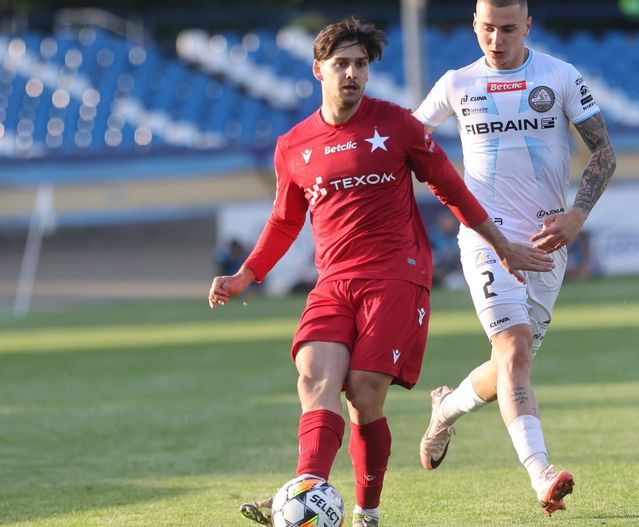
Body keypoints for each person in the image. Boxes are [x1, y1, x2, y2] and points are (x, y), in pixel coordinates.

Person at [207, 18, 553, 527]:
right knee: (314, 377)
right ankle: (309, 495)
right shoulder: (294, 144)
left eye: (361, 64)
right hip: (333, 284)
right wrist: (245, 275)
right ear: (318, 70)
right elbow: (284, 220)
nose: (352, 73)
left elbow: (451, 188)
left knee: (364, 394)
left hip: (396, 276)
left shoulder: (397, 125)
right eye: (341, 64)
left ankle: (366, 513)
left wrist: (501, 246)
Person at [412, 0, 616, 516]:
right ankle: (541, 474)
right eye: (487, 29)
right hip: (486, 240)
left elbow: (604, 154)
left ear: (528, 26)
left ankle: (446, 409)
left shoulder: (560, 76)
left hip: (548, 245)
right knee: (515, 353)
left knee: (510, 365)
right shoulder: (456, 84)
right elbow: (408, 146)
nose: (496, 39)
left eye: (508, 29)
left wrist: (576, 216)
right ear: (474, 26)